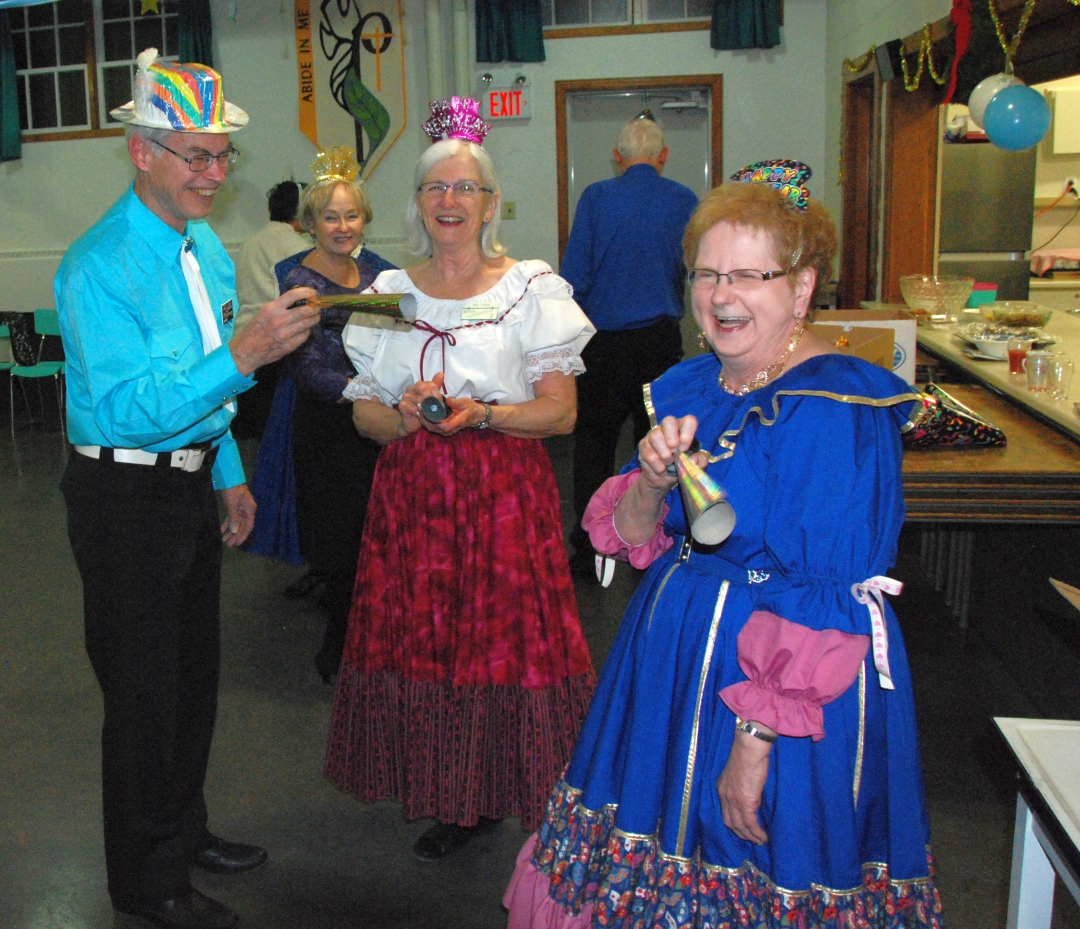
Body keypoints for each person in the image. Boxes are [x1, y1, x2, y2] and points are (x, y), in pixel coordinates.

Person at [505, 162, 946, 928]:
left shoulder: (834, 404)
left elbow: (827, 592)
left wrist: (755, 742)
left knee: (754, 845)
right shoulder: (697, 383)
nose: (720, 295)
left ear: (802, 287)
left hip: (785, 687)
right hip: (674, 658)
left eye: (749, 274)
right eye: (707, 274)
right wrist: (651, 478)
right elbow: (632, 535)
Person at [55, 49, 320, 929]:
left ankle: (183, 829)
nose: (214, 174)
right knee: (143, 696)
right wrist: (243, 356)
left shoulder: (201, 247)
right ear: (143, 152)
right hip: (122, 498)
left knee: (193, 679)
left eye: (221, 155)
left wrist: (229, 473)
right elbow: (126, 411)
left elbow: (204, 383)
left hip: (189, 483)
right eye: (196, 156)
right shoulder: (97, 266)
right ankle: (146, 879)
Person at [324, 98, 597, 862]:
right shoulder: (387, 293)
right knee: (429, 641)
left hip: (504, 498)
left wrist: (484, 415)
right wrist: (406, 415)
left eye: (464, 187)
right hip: (413, 498)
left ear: (490, 202)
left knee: (498, 643)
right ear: (417, 202)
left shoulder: (529, 289)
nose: (450, 200)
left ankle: (503, 781)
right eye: (435, 187)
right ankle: (453, 789)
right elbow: (364, 417)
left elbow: (561, 413)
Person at [276, 148, 395, 681]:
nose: (343, 226)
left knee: (383, 541)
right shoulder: (298, 280)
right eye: (330, 217)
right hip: (331, 429)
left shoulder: (378, 272)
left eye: (351, 215)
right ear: (310, 223)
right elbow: (306, 369)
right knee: (345, 545)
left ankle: (378, 646)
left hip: (382, 426)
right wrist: (367, 391)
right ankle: (341, 654)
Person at [561, 114, 698, 578]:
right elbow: (695, 270)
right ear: (663, 156)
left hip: (603, 346)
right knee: (660, 447)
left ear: (617, 157)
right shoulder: (684, 200)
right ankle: (654, 543)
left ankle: (589, 547)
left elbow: (574, 278)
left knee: (593, 444)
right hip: (659, 344)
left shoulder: (596, 197)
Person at [230, 180, 309, 439]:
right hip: (277, 347)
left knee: (249, 428)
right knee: (275, 431)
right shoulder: (300, 248)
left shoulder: (250, 241)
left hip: (244, 339)